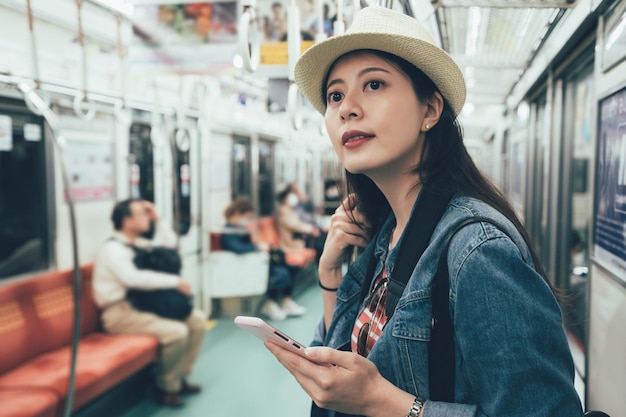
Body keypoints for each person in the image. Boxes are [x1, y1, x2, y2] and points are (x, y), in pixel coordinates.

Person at [264, 7, 584, 417]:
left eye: (374, 84)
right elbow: (346, 371)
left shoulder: (477, 252)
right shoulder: (385, 234)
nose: (347, 108)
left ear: (430, 111)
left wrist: (385, 402)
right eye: (335, 95)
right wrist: (330, 276)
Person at [92, 199, 205, 407]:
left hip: (143, 305)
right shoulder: (113, 250)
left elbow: (171, 246)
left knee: (197, 321)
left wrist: (158, 219)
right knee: (176, 332)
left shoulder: (138, 244)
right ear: (127, 220)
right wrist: (175, 282)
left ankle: (179, 378)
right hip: (119, 313)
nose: (147, 217)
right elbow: (132, 278)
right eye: (142, 213)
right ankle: (165, 386)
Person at [221, 197, 306, 320]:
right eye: (247, 217)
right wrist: (258, 247)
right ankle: (269, 304)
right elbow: (238, 248)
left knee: (291, 267)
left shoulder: (239, 229)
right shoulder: (227, 231)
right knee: (280, 273)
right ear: (238, 213)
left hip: (253, 261)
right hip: (244, 265)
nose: (247, 220)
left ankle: (286, 301)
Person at [275, 186, 321, 253]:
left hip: (299, 238)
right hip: (293, 243)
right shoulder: (283, 212)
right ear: (285, 198)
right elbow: (295, 226)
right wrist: (311, 229)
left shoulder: (289, 210)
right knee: (321, 243)